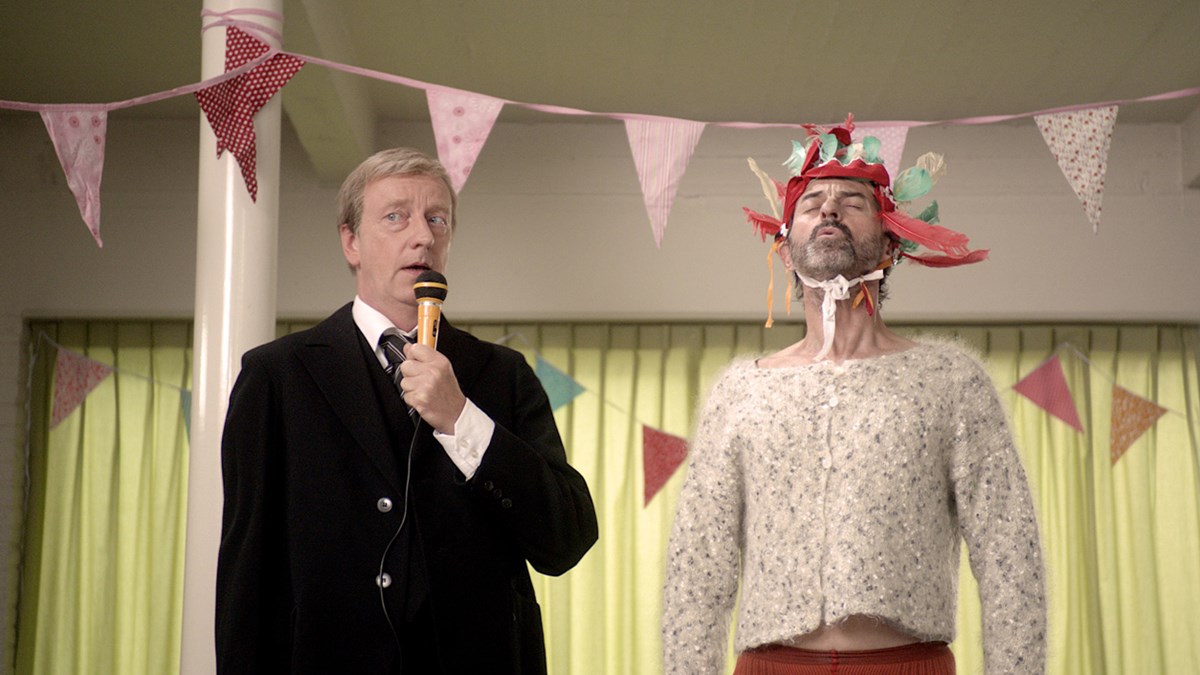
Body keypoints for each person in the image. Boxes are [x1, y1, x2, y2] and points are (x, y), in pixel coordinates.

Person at [661, 116, 1046, 674]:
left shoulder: (951, 382)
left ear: (890, 242)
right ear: (785, 250)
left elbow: (1011, 557)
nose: (829, 209)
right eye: (811, 202)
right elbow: (697, 570)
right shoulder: (739, 392)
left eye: (852, 201)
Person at [215, 147, 598, 674]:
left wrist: (462, 419)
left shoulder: (504, 375)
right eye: (396, 216)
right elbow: (246, 575)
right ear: (350, 241)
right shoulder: (276, 376)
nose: (423, 236)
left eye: (437, 219)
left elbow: (567, 539)